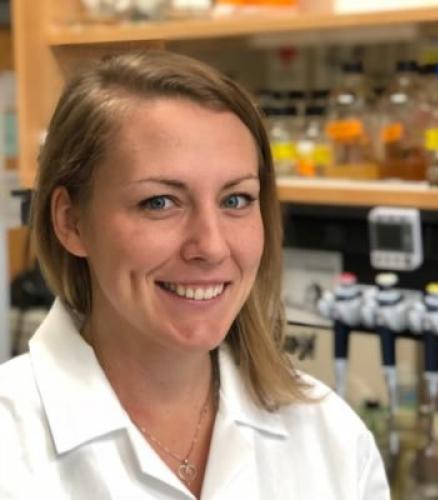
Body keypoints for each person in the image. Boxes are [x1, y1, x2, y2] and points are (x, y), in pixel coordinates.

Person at [0, 51, 390, 500]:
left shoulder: (330, 438)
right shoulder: (13, 445)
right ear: (71, 222)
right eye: (160, 202)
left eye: (235, 200)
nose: (212, 246)